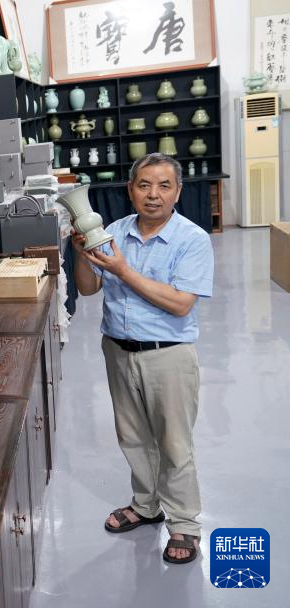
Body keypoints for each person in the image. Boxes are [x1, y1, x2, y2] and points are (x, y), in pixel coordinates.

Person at [72, 153, 213, 564]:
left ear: (177, 192)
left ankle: (184, 524)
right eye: (144, 185)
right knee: (133, 437)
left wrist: (123, 270)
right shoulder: (113, 232)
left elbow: (181, 304)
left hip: (168, 355)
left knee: (174, 442)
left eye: (164, 186)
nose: (154, 194)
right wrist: (81, 254)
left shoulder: (192, 239)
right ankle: (146, 505)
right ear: (130, 190)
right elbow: (88, 290)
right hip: (118, 349)